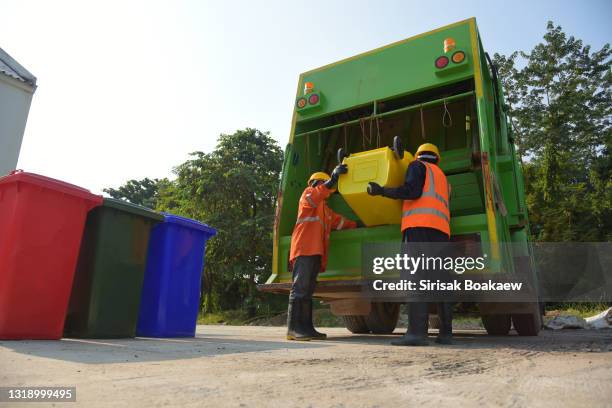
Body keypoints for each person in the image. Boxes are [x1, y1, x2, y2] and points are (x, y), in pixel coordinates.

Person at [367, 143, 453, 346]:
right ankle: (446, 334)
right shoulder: (443, 178)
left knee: (416, 279)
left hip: (419, 228)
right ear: (437, 158)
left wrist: (382, 190)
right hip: (441, 233)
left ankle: (417, 334)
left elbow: (412, 191)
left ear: (419, 156)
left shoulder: (417, 166)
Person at [287, 164, 358, 341]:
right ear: (317, 183)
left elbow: (340, 222)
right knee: (300, 289)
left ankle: (306, 328)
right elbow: (315, 197)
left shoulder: (325, 210)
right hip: (304, 249)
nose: (327, 189)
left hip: (315, 252)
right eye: (324, 184)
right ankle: (293, 329)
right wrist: (332, 180)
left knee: (307, 291)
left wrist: (360, 224)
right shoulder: (308, 194)